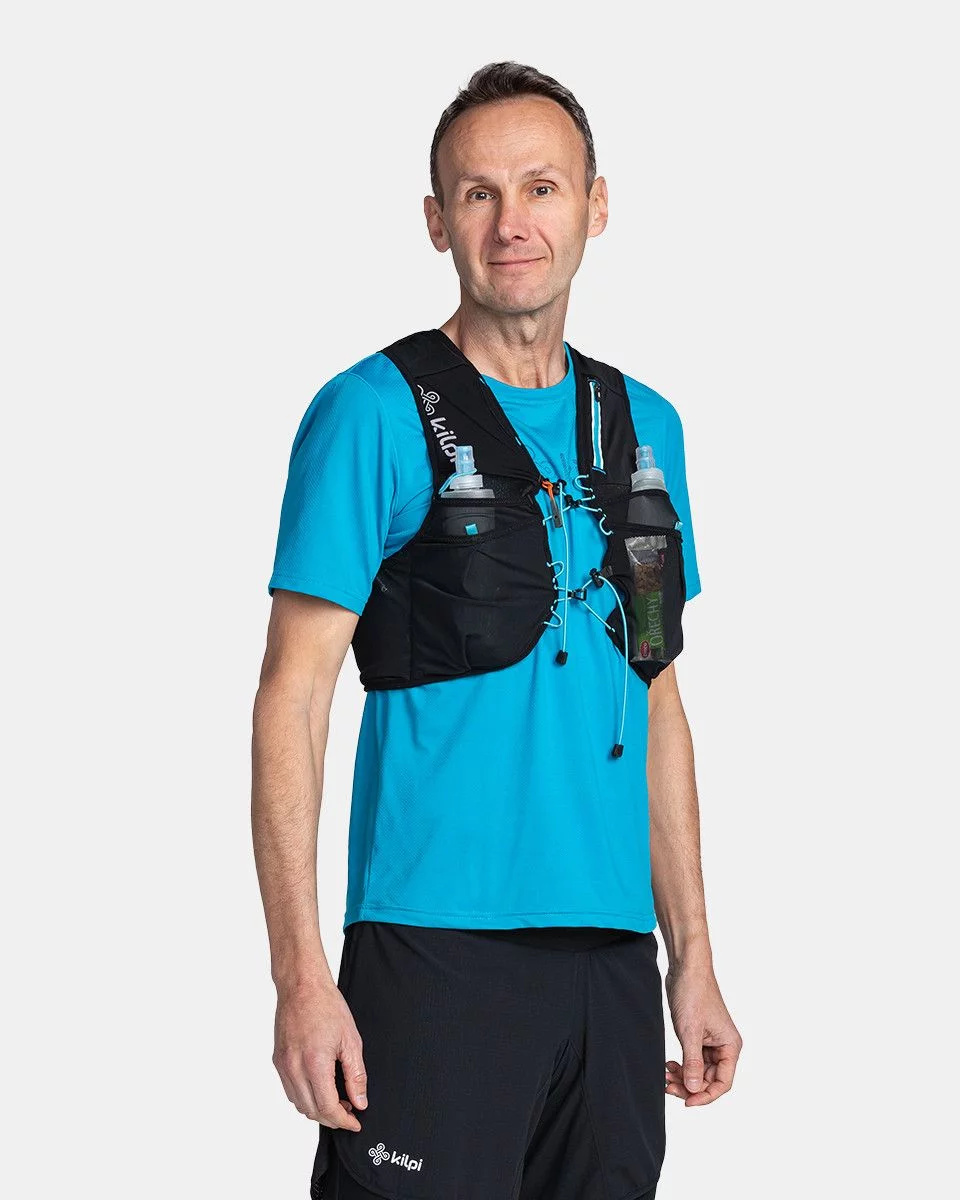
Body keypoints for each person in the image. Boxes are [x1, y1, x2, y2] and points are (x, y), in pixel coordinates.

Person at [252, 61, 742, 1200]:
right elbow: (293, 696)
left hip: (611, 966)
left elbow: (658, 695)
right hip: (432, 950)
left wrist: (693, 958)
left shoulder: (647, 427)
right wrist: (301, 978)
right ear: (437, 221)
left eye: (541, 188)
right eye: (478, 194)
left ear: (596, 207)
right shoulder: (371, 412)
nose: (511, 223)